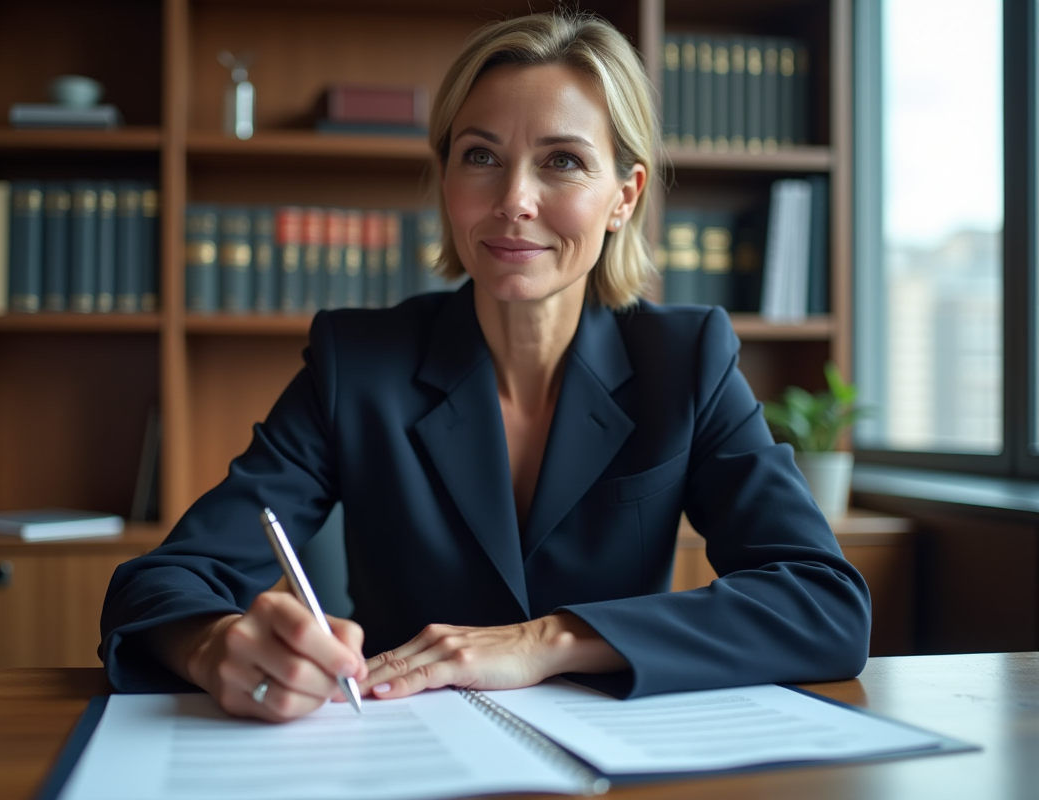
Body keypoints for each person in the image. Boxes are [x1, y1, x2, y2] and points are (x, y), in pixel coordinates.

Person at [99, 10, 871, 723]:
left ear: (624, 197)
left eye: (563, 161)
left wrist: (546, 640)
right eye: (481, 157)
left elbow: (822, 603)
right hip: (408, 751)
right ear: (446, 181)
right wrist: (214, 648)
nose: (513, 200)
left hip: (623, 757)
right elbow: (159, 585)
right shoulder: (357, 364)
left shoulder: (687, 360)